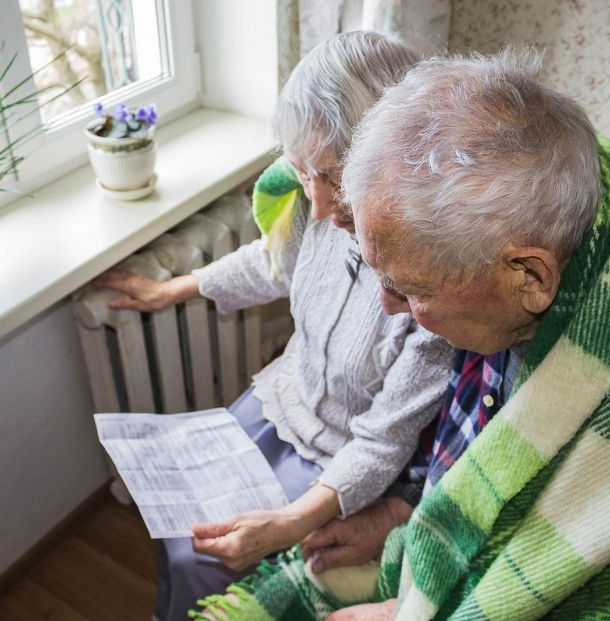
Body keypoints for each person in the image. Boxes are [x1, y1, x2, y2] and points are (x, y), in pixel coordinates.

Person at [199, 47, 610, 620]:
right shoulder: (517, 244)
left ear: (530, 277)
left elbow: (547, 574)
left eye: (411, 290)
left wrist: (412, 609)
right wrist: (401, 513)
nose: (390, 307)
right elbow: (478, 444)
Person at [93, 32, 453, 621]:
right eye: (305, 173)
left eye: (333, 177)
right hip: (279, 401)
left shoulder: (431, 283)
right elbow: (272, 260)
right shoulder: (321, 212)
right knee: (172, 525)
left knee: (199, 562)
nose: (315, 205)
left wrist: (291, 522)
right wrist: (168, 290)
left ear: (396, 166)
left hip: (341, 459)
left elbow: (384, 440)